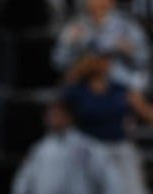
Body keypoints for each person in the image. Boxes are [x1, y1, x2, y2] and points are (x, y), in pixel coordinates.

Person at [63, 53, 153, 194]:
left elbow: (147, 113)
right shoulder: (76, 90)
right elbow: (60, 116)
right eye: (101, 59)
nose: (106, 63)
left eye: (107, 60)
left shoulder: (119, 89)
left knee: (133, 189)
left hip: (119, 145)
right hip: (88, 147)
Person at [52, 0, 150, 91]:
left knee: (100, 64)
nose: (101, 1)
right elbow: (58, 62)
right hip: (84, 82)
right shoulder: (75, 26)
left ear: (112, 2)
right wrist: (70, 44)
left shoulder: (127, 25)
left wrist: (130, 50)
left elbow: (144, 58)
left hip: (119, 82)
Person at [11, 100, 121, 194]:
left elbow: (109, 179)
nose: (52, 119)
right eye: (49, 115)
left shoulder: (88, 147)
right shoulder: (40, 148)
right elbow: (24, 179)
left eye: (56, 114)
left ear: (69, 117)